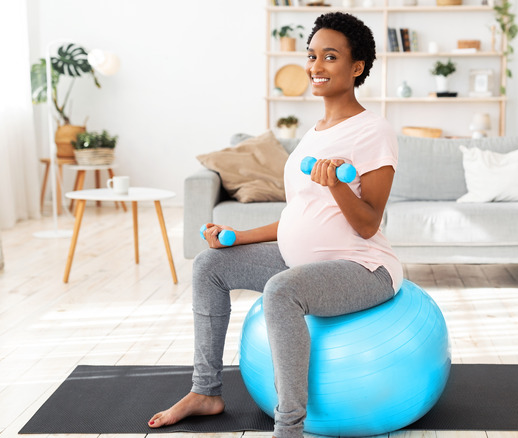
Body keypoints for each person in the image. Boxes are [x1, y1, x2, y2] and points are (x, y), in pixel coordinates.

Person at [149, 12, 402, 438]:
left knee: (281, 290)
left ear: (357, 68)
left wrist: (339, 186)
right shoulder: (315, 132)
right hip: (300, 260)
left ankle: (289, 428)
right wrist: (235, 239)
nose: (315, 67)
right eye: (311, 56)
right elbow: (299, 216)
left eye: (330, 57)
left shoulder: (373, 131)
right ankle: (205, 391)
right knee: (209, 267)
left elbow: (368, 224)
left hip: (363, 269)